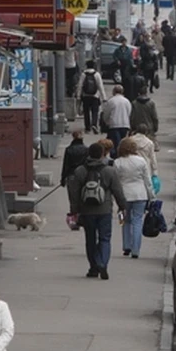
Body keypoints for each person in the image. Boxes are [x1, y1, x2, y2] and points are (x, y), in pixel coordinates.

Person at [67, 143, 128, 279]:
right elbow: (118, 191)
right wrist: (122, 206)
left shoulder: (80, 171)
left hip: (86, 211)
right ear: (102, 154)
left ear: (89, 154)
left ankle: (93, 268)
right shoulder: (109, 171)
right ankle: (103, 263)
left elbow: (74, 193)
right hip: (104, 210)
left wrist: (74, 210)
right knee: (105, 238)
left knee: (90, 239)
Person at [114, 138, 154, 259]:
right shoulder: (141, 161)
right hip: (140, 194)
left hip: (124, 194)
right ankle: (136, 250)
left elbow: (115, 181)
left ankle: (127, 246)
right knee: (137, 221)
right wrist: (151, 196)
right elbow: (147, 180)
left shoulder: (118, 162)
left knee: (125, 221)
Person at [101, 85, 132, 158]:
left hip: (114, 124)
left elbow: (106, 113)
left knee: (114, 143)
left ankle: (115, 157)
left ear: (114, 91)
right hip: (125, 124)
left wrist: (106, 122)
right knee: (122, 142)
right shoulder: (126, 101)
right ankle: (122, 155)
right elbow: (129, 112)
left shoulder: (111, 101)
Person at [76, 60, 106, 133]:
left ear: (86, 66)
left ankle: (87, 128)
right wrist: (104, 97)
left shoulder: (84, 74)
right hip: (95, 96)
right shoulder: (97, 74)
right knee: (95, 111)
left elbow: (80, 85)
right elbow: (100, 86)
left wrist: (78, 96)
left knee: (86, 112)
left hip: (85, 96)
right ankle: (94, 124)